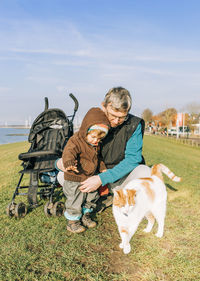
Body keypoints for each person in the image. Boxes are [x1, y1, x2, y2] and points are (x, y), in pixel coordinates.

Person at [79, 87, 151, 196]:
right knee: (62, 176)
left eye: (122, 117)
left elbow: (133, 159)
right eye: (113, 115)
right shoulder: (92, 120)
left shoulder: (134, 124)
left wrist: (102, 179)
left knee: (145, 172)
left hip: (121, 177)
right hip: (94, 173)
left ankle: (117, 193)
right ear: (104, 106)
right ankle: (99, 194)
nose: (116, 121)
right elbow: (77, 144)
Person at [56, 107, 110, 233]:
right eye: (93, 137)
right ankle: (73, 221)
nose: (96, 141)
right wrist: (68, 163)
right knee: (75, 199)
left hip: (89, 176)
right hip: (75, 176)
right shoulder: (76, 140)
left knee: (91, 196)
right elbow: (68, 151)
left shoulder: (96, 145)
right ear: (86, 130)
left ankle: (86, 215)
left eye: (99, 139)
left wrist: (102, 168)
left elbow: (98, 158)